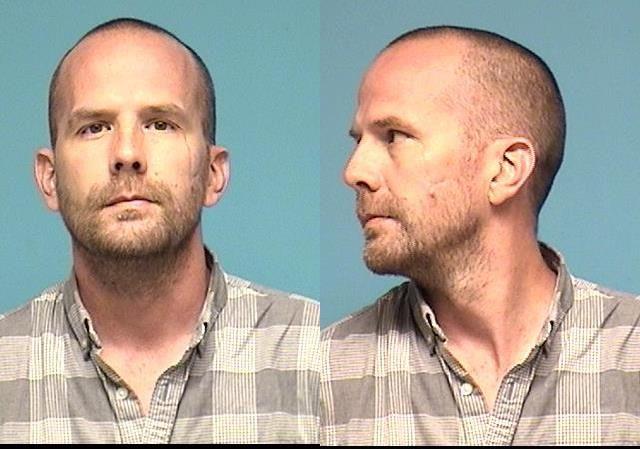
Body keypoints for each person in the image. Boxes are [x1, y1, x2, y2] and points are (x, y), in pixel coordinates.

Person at [0, 18, 319, 444]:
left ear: (213, 173)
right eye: (94, 127)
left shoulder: (313, 353)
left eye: (160, 124)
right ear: (49, 179)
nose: (127, 153)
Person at [320, 25, 640, 445]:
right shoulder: (319, 378)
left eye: (394, 136)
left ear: (505, 170)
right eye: (359, 141)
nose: (354, 172)